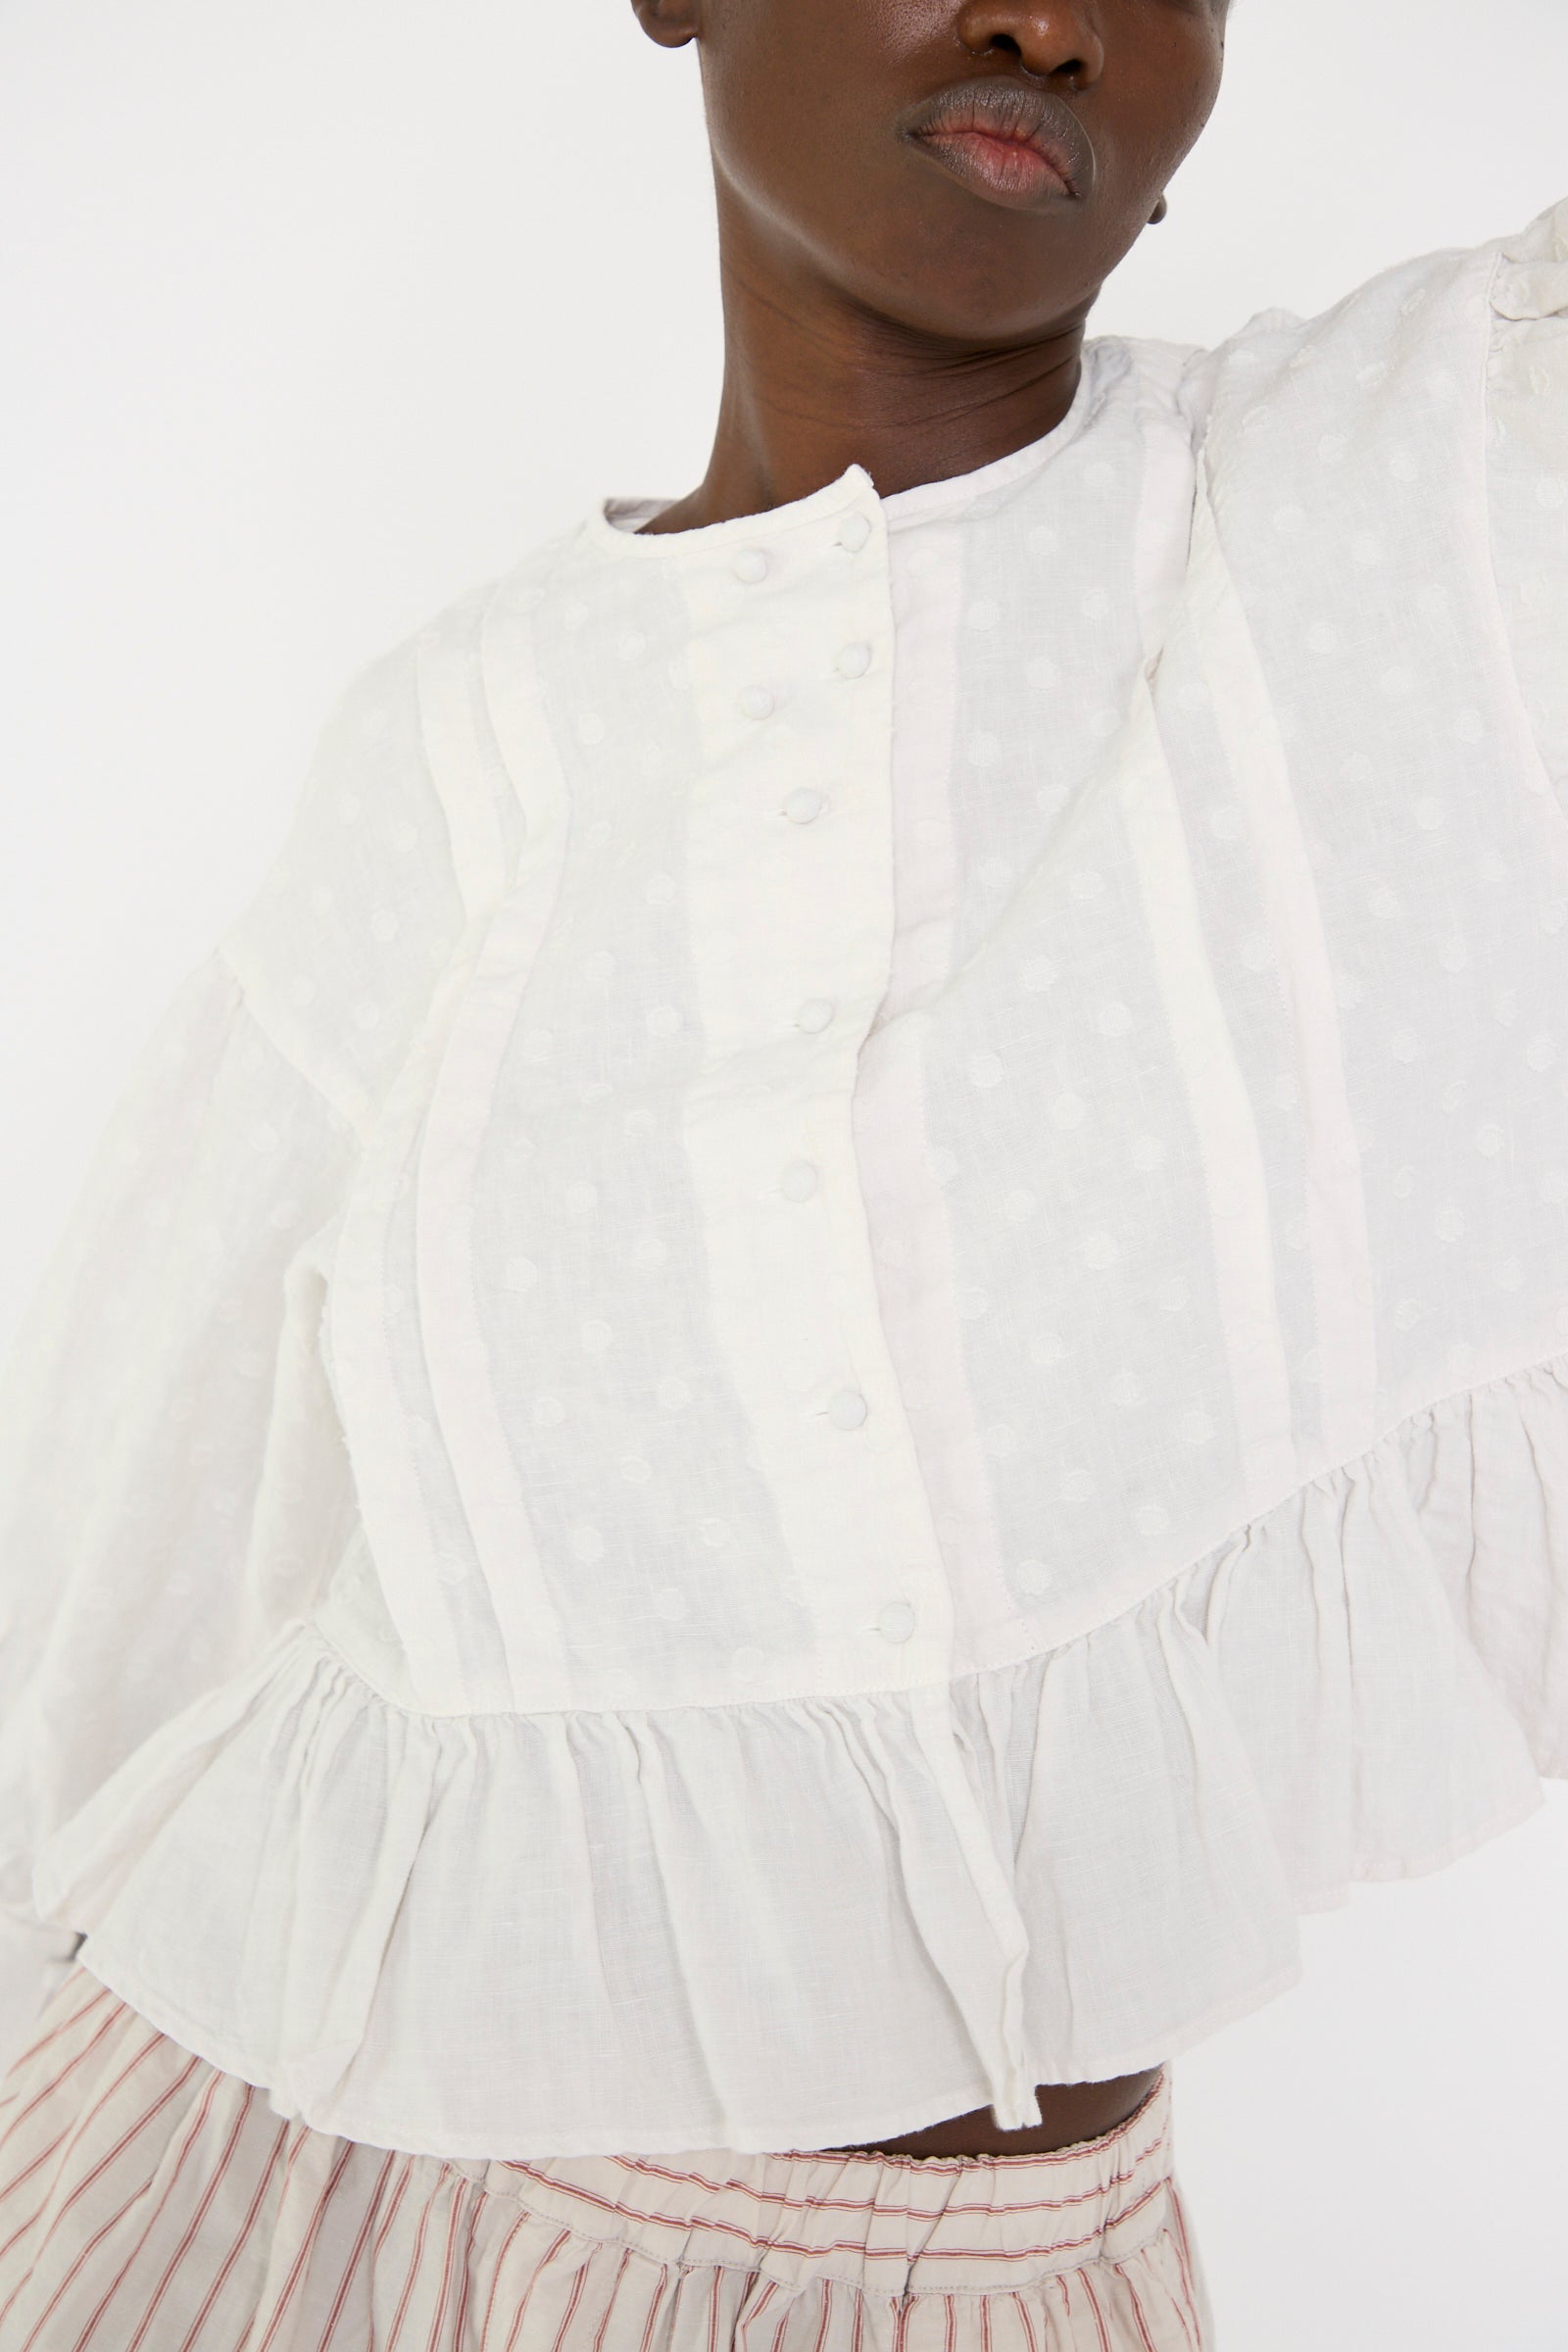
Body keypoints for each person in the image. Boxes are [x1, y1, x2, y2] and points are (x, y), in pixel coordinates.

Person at [0, 0, 1562, 2342]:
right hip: (303, 2197)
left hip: (1032, 2280)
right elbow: (152, 1529)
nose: (1053, 14)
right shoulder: (459, 748)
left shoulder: (1404, 488)